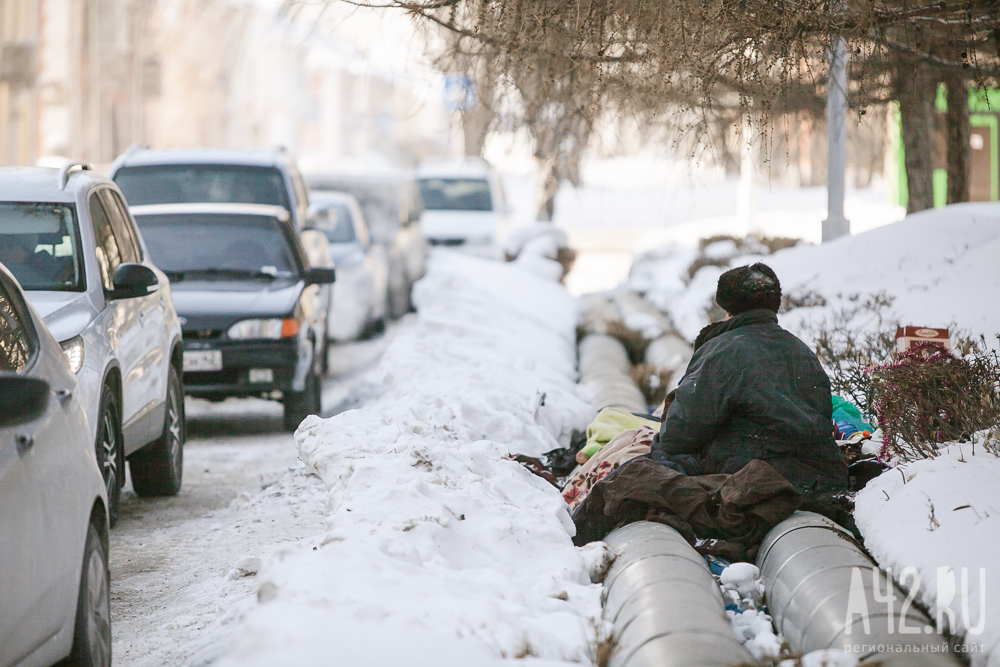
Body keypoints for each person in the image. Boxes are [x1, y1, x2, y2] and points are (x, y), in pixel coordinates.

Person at [652, 262, 848, 501]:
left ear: (728, 308)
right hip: (820, 476)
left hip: (752, 476)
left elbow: (678, 436)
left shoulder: (721, 351)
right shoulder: (803, 351)